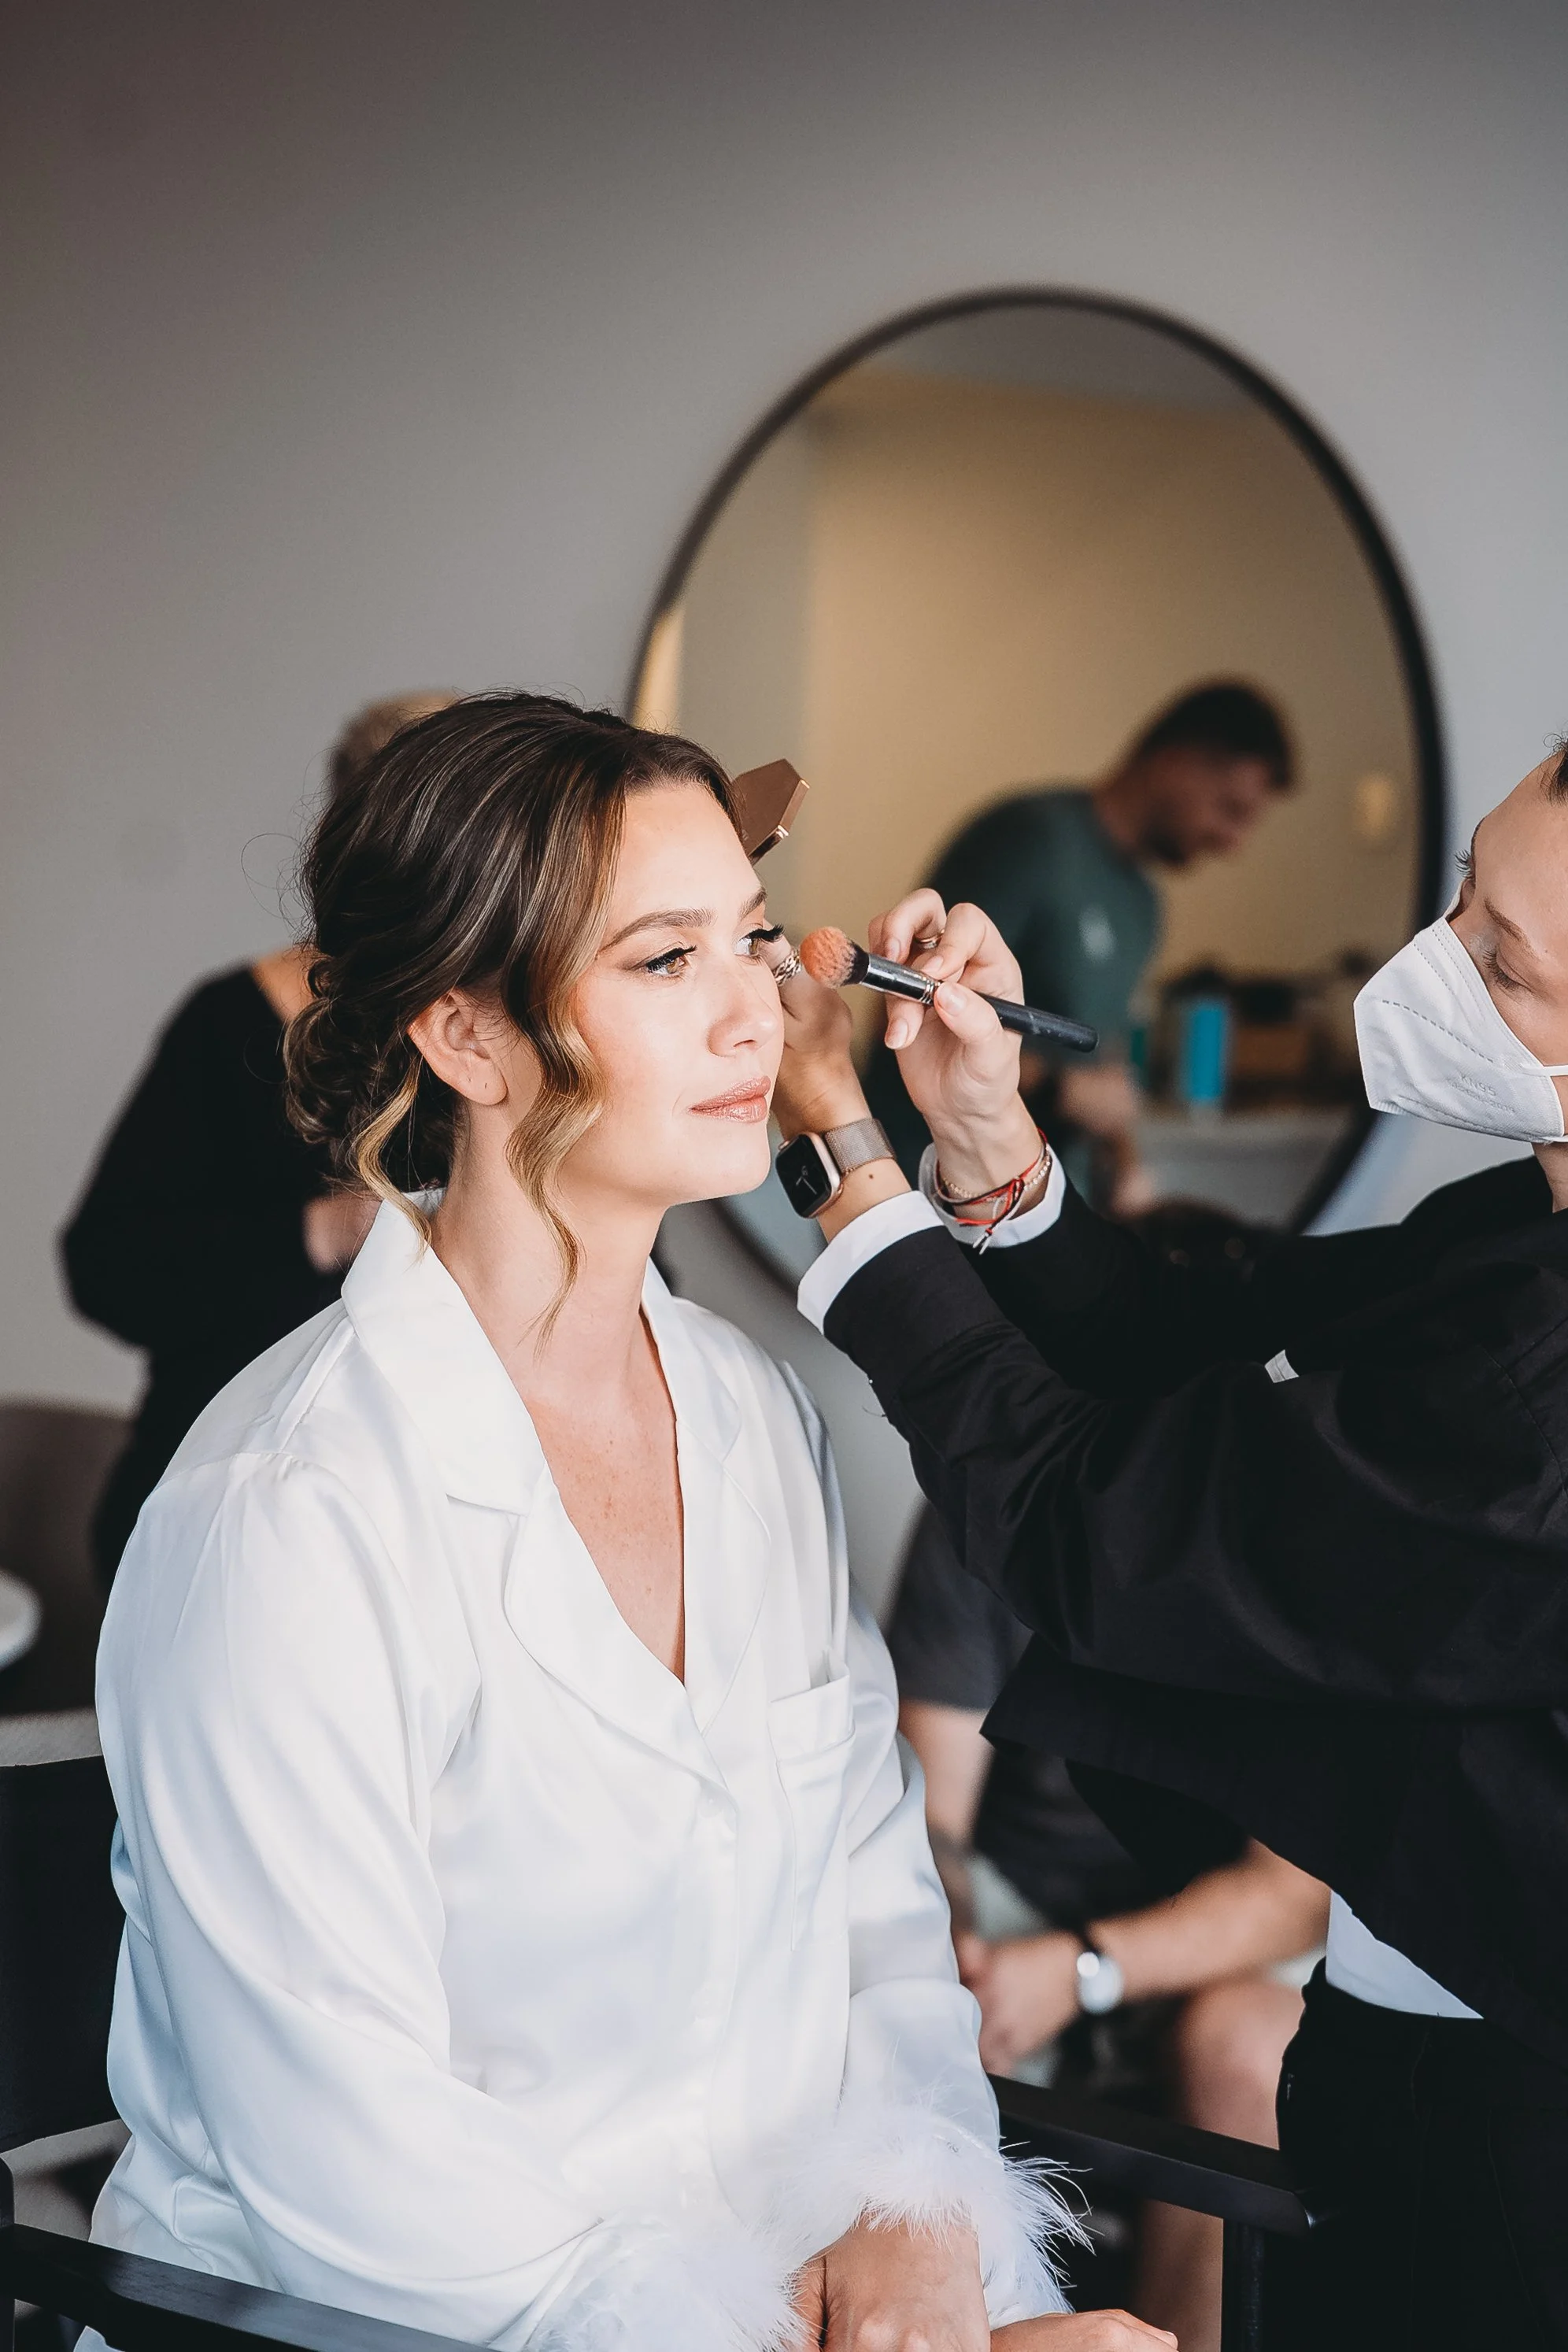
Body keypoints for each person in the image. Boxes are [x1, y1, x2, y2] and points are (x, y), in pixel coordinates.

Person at [89, 694, 1177, 2352]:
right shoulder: (286, 1521)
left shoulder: (753, 1420)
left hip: (776, 2268)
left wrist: (914, 2214)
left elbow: (879, 1909)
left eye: (751, 939)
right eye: (666, 962)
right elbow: (356, 2166)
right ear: (465, 1034)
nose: (761, 1012)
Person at [762, 738, 1568, 2349]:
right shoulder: (1516, 1232)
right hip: (1393, 2041)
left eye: (1506, 963)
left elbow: (1099, 1526)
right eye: (1468, 898)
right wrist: (984, 1146)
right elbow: (1215, 1353)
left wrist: (850, 1171)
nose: (1441, 966)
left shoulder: (1538, 1385)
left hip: (1515, 2122)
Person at [891, 1514, 1327, 2352]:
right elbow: (929, 1815)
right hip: (1011, 1908)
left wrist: (1079, 1970)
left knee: (1249, 2050)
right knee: (906, 2008)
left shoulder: (1294, 1522)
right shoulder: (984, 1504)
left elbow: (1291, 1896)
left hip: (1221, 1942)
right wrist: (951, 1953)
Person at [61, 690, 455, 1581]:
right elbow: (107, 1265)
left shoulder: (515, 1039)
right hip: (219, 1517)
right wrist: (319, 1232)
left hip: (427, 1534)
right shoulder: (226, 1024)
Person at [864, 680, 1293, 1209]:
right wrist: (1062, 1092)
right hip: (928, 1195)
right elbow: (917, 1002)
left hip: (1043, 1207)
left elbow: (1099, 1058)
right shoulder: (1030, 840)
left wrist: (1128, 1167)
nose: (1234, 843)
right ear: (1177, 762)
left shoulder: (1144, 903)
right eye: (1230, 809)